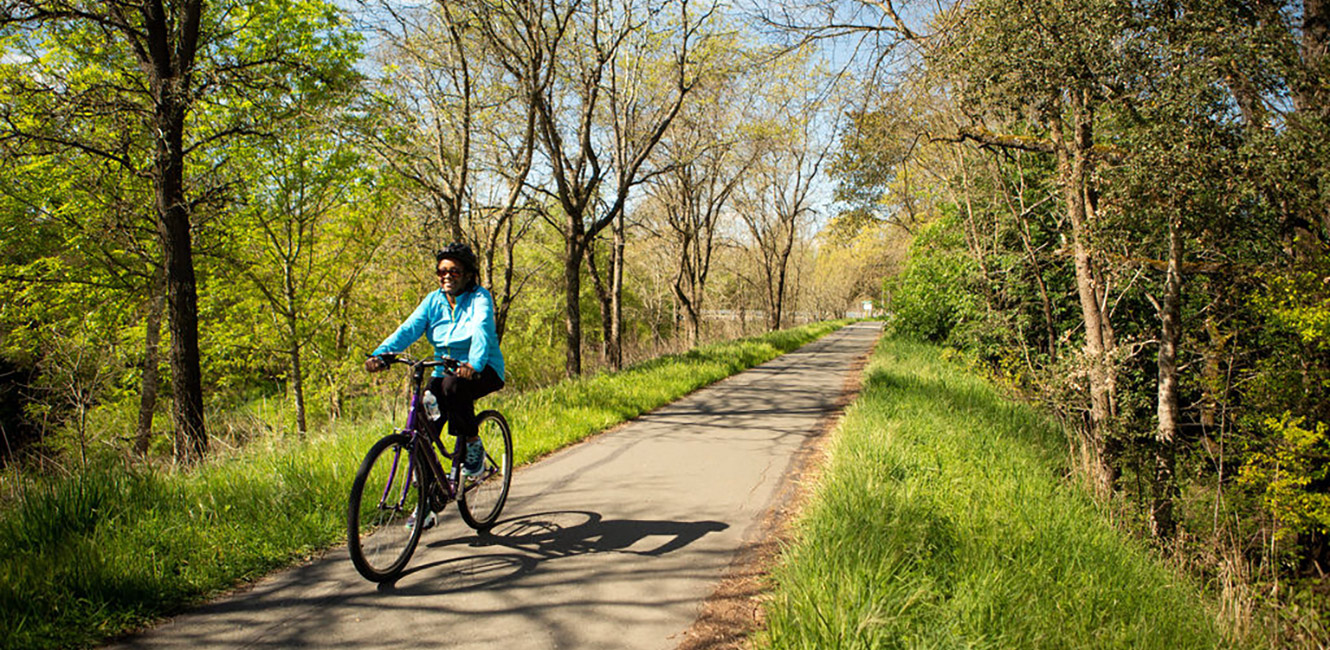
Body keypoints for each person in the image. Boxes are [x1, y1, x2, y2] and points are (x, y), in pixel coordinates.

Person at [365, 242, 505, 483]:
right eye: (442, 271)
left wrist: (473, 365)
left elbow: (482, 329)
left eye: (454, 271)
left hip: (483, 368)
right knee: (425, 419)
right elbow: (408, 329)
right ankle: (428, 502)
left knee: (454, 387)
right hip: (445, 370)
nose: (447, 276)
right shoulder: (433, 301)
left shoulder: (479, 297)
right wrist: (382, 354)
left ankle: (473, 446)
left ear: (468, 275)